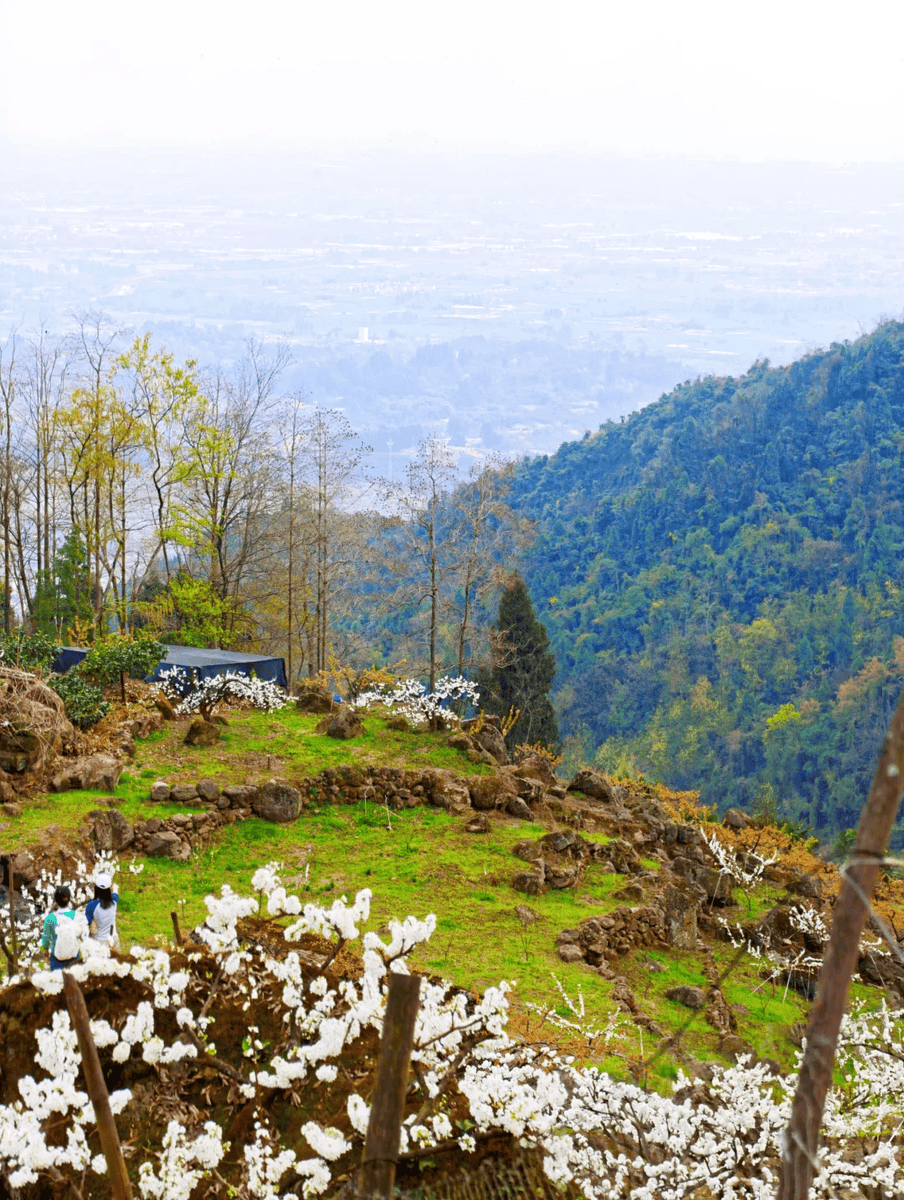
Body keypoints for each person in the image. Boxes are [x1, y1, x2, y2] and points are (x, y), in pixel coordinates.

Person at [41, 885, 83, 970]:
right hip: (74, 956)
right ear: (69, 899)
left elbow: (46, 938)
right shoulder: (76, 915)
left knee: (57, 982)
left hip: (56, 958)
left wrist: (46, 953)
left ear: (55, 900)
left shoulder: (50, 918)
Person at [85, 872, 119, 951]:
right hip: (113, 940)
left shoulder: (91, 905)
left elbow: (87, 923)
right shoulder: (113, 902)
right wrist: (114, 887)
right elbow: (115, 892)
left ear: (96, 888)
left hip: (99, 943)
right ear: (109, 889)